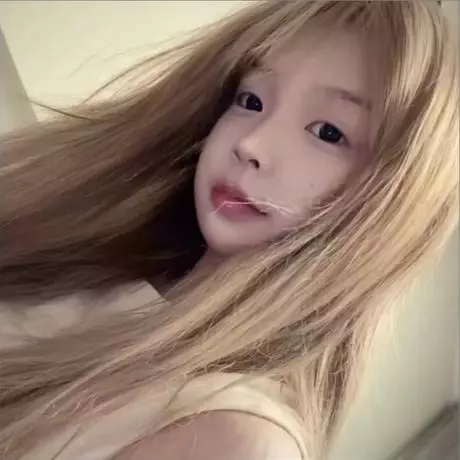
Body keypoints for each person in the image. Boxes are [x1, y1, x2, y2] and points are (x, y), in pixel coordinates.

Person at [0, 1, 458, 459]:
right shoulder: (101, 263)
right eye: (250, 101)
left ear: (395, 202)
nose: (250, 144)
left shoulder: (234, 439)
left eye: (327, 132)